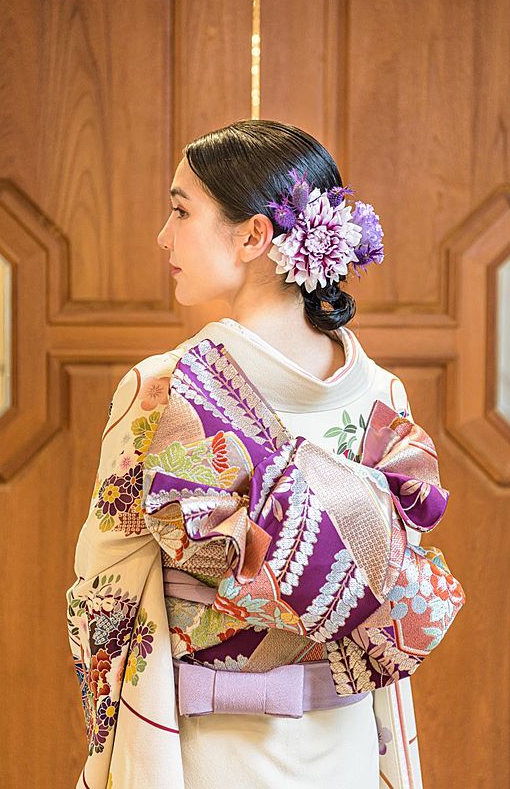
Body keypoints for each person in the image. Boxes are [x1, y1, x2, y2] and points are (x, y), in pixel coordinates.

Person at [67, 120, 457, 788]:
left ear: (253, 236)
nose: (163, 236)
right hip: (344, 742)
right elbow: (381, 593)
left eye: (180, 211)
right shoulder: (382, 397)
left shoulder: (162, 389)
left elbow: (106, 594)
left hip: (206, 747)